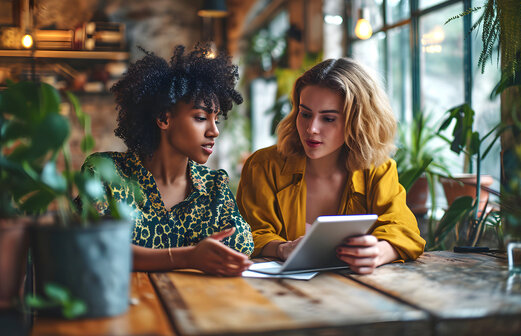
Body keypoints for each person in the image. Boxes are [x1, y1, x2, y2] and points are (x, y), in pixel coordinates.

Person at [237, 58, 425, 274]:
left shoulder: (377, 169)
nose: (311, 129)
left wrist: (379, 251)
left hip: (357, 296)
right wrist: (283, 248)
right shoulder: (263, 166)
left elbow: (406, 230)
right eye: (305, 114)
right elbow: (248, 235)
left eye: (328, 119)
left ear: (357, 122)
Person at [82, 44, 254, 276]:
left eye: (216, 120)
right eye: (201, 117)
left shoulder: (214, 187)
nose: (214, 131)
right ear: (164, 119)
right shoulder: (106, 173)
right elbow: (96, 247)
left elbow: (242, 245)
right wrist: (189, 256)